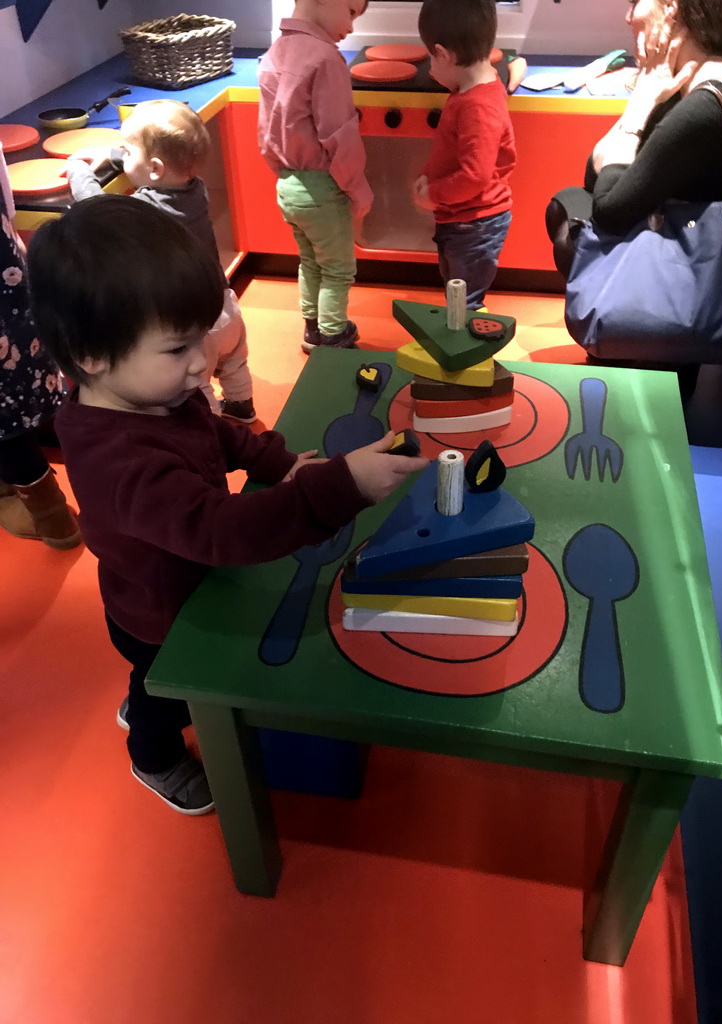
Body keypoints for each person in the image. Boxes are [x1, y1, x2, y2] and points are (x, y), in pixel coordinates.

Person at [26, 195, 427, 815]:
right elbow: (225, 533)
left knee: (164, 683)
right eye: (177, 348)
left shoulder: (154, 397)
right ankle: (151, 753)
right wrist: (339, 487)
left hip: (195, 585)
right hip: (160, 615)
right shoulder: (121, 463)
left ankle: (150, 697)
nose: (200, 365)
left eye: (201, 339)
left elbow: (217, 433)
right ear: (91, 356)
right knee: (164, 691)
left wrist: (277, 462)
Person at [65, 99, 257, 424]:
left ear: (154, 168)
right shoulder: (196, 189)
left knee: (196, 384)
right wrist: (116, 154)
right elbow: (161, 161)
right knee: (234, 362)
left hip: (193, 321)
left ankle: (209, 432)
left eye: (127, 152)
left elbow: (96, 207)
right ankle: (241, 405)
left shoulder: (144, 213)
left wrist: (78, 171)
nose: (123, 157)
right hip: (225, 304)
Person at [548, 0, 722, 269]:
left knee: (571, 233)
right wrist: (646, 92)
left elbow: (608, 213)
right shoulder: (689, 84)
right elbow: (595, 175)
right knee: (568, 202)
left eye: (635, 3)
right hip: (695, 247)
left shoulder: (704, 107)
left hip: (714, 277)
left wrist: (640, 102)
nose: (629, 17)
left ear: (669, 7)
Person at [258, 0, 373, 353]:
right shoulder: (325, 58)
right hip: (323, 186)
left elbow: (266, 133)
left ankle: (313, 328)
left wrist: (285, 175)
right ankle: (334, 337)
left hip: (288, 185)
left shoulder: (275, 53)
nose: (351, 27)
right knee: (338, 270)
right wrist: (359, 190)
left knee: (310, 261)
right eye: (352, 12)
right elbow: (340, 135)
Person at [0, 143, 81, 550]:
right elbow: (8, 210)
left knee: (5, 428)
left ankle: (53, 519)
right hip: (9, 290)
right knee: (28, 389)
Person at [413, 0, 515, 311]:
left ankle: (469, 353)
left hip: (474, 224)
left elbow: (474, 176)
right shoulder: (475, 89)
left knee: (464, 302)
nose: (431, 66)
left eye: (432, 56)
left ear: (443, 53)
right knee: (457, 294)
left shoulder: (476, 107)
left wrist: (434, 193)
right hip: (463, 219)